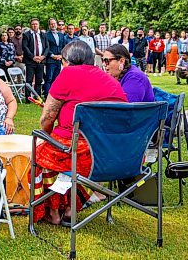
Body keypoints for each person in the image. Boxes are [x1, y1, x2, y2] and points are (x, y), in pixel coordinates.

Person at [30, 41, 127, 225]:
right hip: (114, 155)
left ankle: (52, 211)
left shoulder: (67, 74)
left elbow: (46, 119)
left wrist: (47, 134)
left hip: (78, 154)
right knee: (69, 158)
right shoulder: (110, 80)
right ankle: (70, 207)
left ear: (66, 62)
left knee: (42, 154)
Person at [23, 18, 48, 101]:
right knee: (29, 80)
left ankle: (38, 97)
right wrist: (33, 57)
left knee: (39, 80)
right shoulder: (26, 35)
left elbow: (47, 47)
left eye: (36, 24)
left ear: (38, 25)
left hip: (41, 61)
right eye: (33, 24)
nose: (35, 25)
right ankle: (28, 97)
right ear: (31, 25)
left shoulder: (43, 35)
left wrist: (43, 56)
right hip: (30, 61)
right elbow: (25, 47)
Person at [44, 18, 67, 96]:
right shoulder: (46, 35)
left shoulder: (61, 35)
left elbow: (63, 46)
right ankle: (47, 95)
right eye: (51, 24)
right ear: (49, 25)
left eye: (54, 23)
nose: (53, 25)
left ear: (56, 25)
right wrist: (53, 55)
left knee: (56, 78)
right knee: (49, 78)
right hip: (50, 59)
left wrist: (61, 55)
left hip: (59, 59)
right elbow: (46, 47)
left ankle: (54, 95)